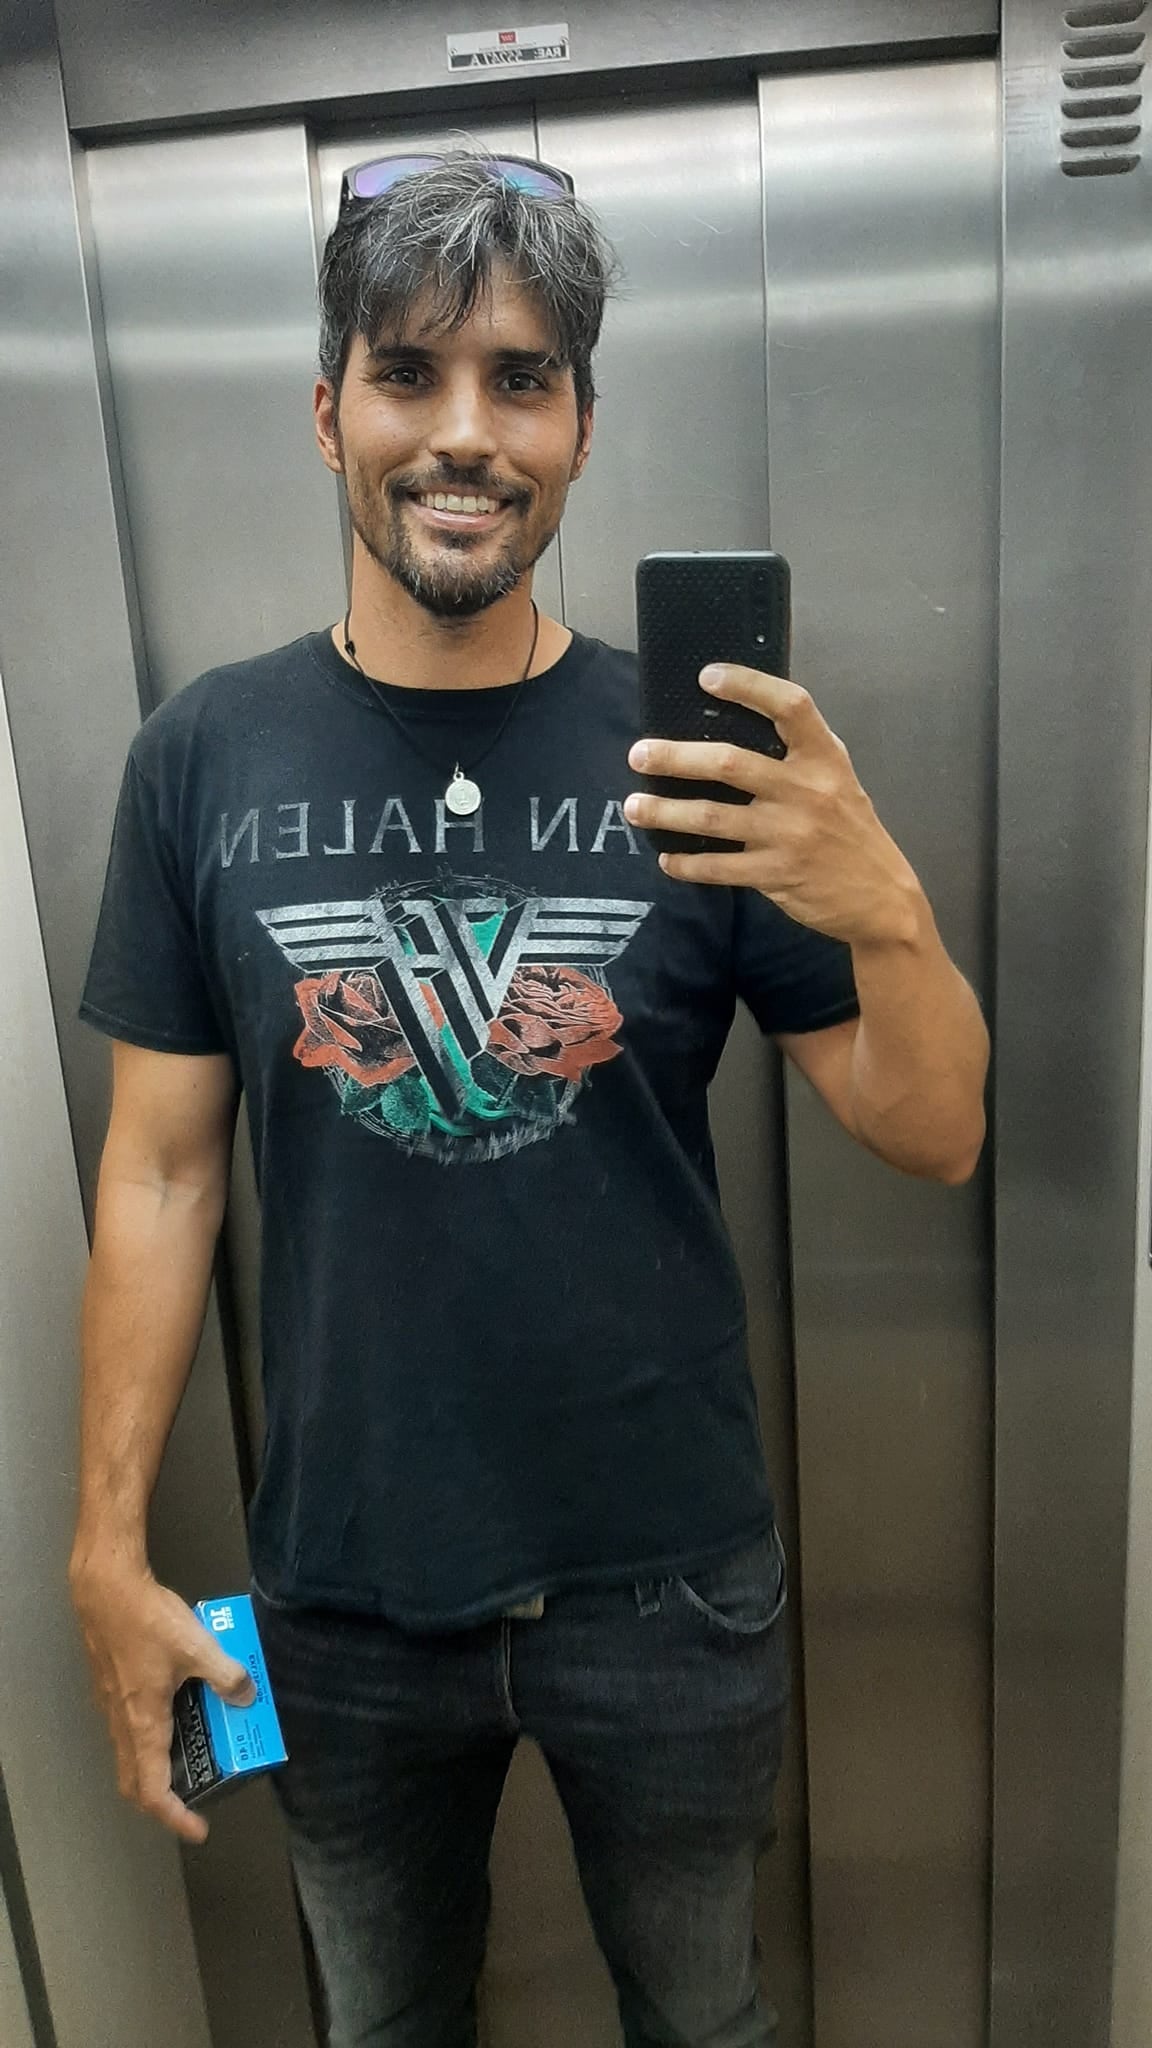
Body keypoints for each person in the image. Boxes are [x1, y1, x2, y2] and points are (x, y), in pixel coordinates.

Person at [69, 152, 989, 2048]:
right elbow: (158, 1176)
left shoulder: (705, 766)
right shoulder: (202, 756)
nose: (465, 433)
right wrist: (105, 1545)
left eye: (522, 378)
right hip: (341, 1591)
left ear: (581, 427)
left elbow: (938, 1129)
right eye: (408, 373)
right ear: (328, 410)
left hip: (671, 1583)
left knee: (704, 2023)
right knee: (382, 2027)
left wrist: (886, 906)